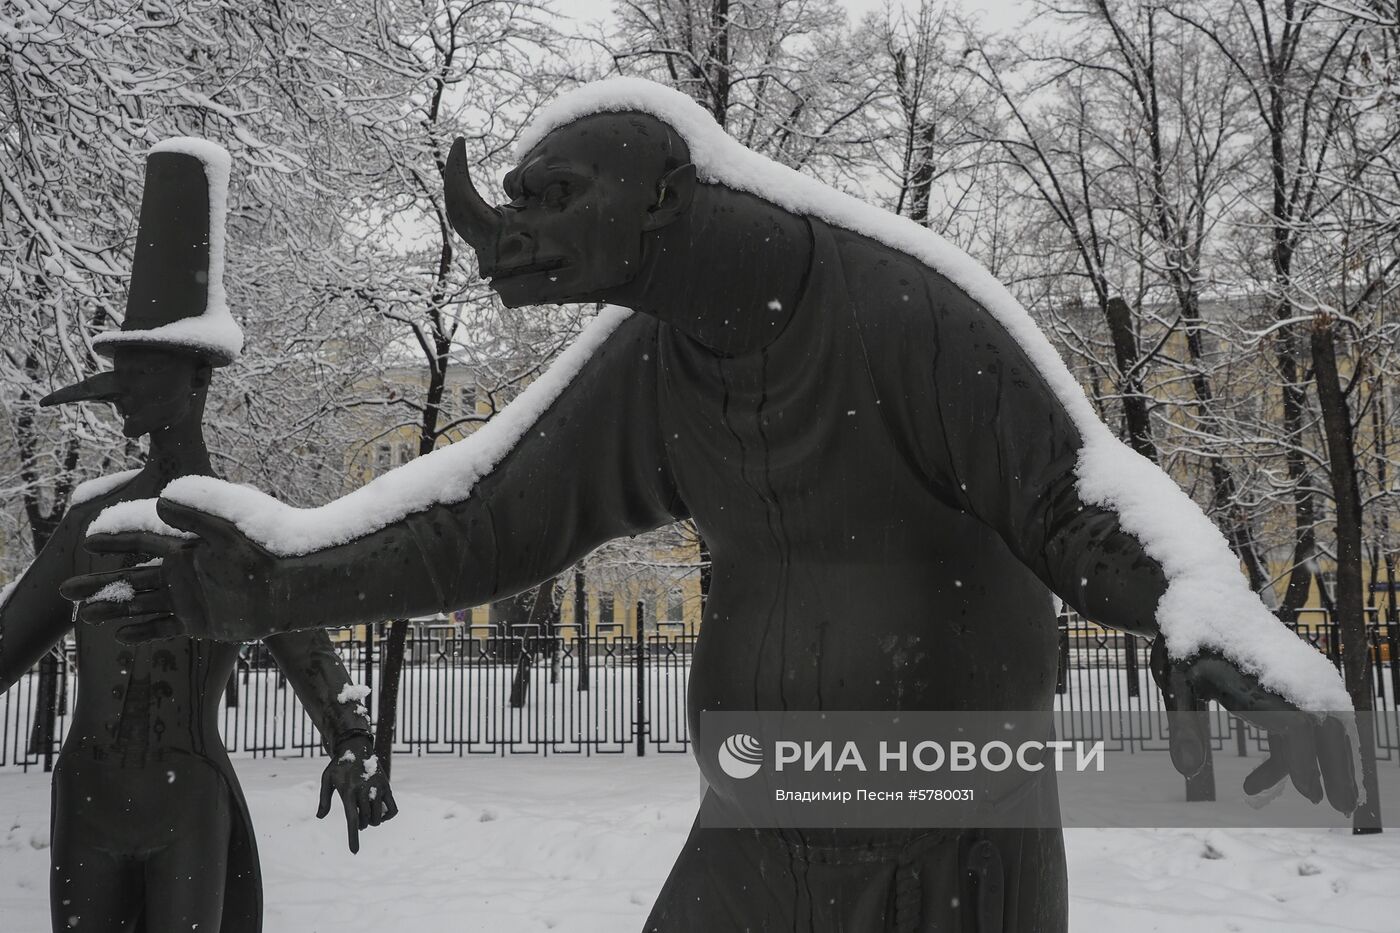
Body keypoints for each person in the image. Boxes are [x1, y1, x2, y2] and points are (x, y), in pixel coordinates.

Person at [65, 82, 1356, 932]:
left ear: (666, 197)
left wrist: (1197, 612)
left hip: (942, 822)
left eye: (550, 199)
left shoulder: (907, 310)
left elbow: (1072, 500)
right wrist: (277, 576)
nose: (507, 232)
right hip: (759, 812)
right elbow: (484, 518)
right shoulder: (660, 351)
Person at [0, 140, 396, 933]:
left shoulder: (236, 526)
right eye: (124, 367)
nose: (124, 392)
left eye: (146, 370)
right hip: (85, 804)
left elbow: (308, 651)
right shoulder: (89, 520)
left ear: (199, 378)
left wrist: (353, 740)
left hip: (189, 803)